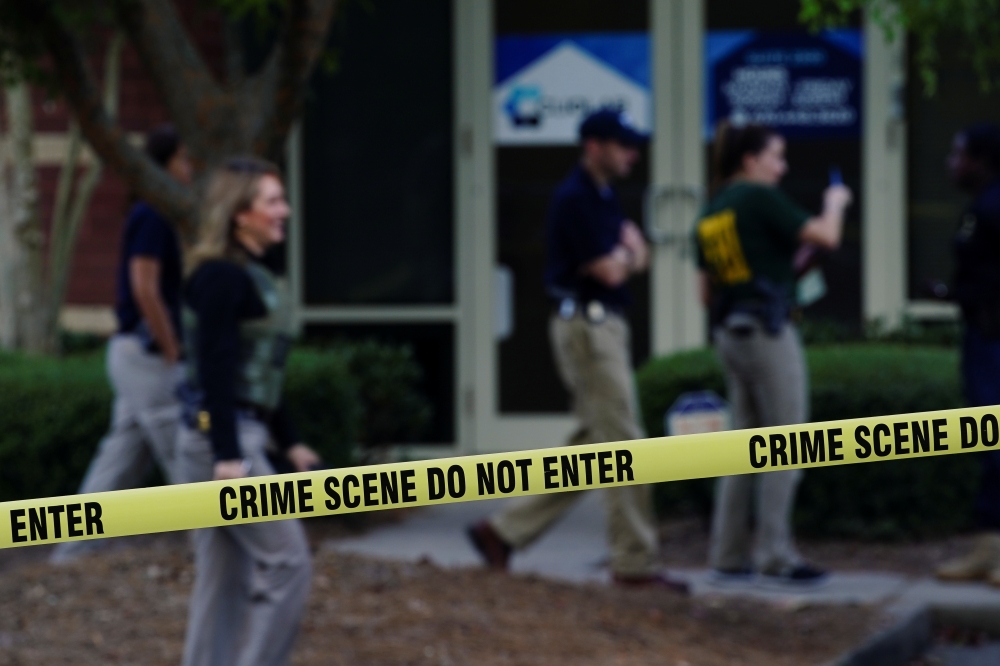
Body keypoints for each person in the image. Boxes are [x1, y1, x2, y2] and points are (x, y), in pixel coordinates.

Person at [467, 109, 685, 590]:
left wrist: (627, 255)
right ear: (593, 145)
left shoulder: (603, 197)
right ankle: (633, 564)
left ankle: (501, 533)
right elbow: (612, 268)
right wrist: (629, 254)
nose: (632, 154)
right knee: (625, 446)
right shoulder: (575, 198)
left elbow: (635, 256)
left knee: (594, 444)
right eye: (622, 144)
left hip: (604, 325)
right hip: (588, 328)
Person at [176, 157, 319, 666]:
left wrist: (291, 440)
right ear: (241, 213)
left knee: (224, 580)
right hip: (223, 441)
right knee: (287, 563)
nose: (285, 211)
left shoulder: (252, 276)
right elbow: (214, 370)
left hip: (229, 435)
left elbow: (258, 376)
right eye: (273, 201)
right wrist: (228, 456)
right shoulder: (220, 278)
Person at [695, 121, 852, 583]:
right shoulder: (757, 197)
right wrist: (835, 204)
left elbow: (704, 293)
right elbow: (826, 237)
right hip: (768, 331)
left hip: (730, 332)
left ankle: (726, 553)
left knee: (741, 447)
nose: (782, 168)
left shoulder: (712, 209)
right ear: (750, 160)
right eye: (776, 157)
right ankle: (775, 554)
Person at [50, 125, 191, 564]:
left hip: (133, 354)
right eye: (184, 160)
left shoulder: (150, 214)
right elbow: (145, 289)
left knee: (121, 460)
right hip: (146, 355)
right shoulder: (152, 216)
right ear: (165, 165)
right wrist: (172, 348)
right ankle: (224, 547)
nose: (190, 169)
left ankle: (71, 555)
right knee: (185, 451)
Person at [935, 123, 1000, 585]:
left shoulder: (995, 207)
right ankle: (988, 548)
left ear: (980, 159)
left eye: (958, 153)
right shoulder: (980, 208)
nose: (951, 163)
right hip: (981, 335)